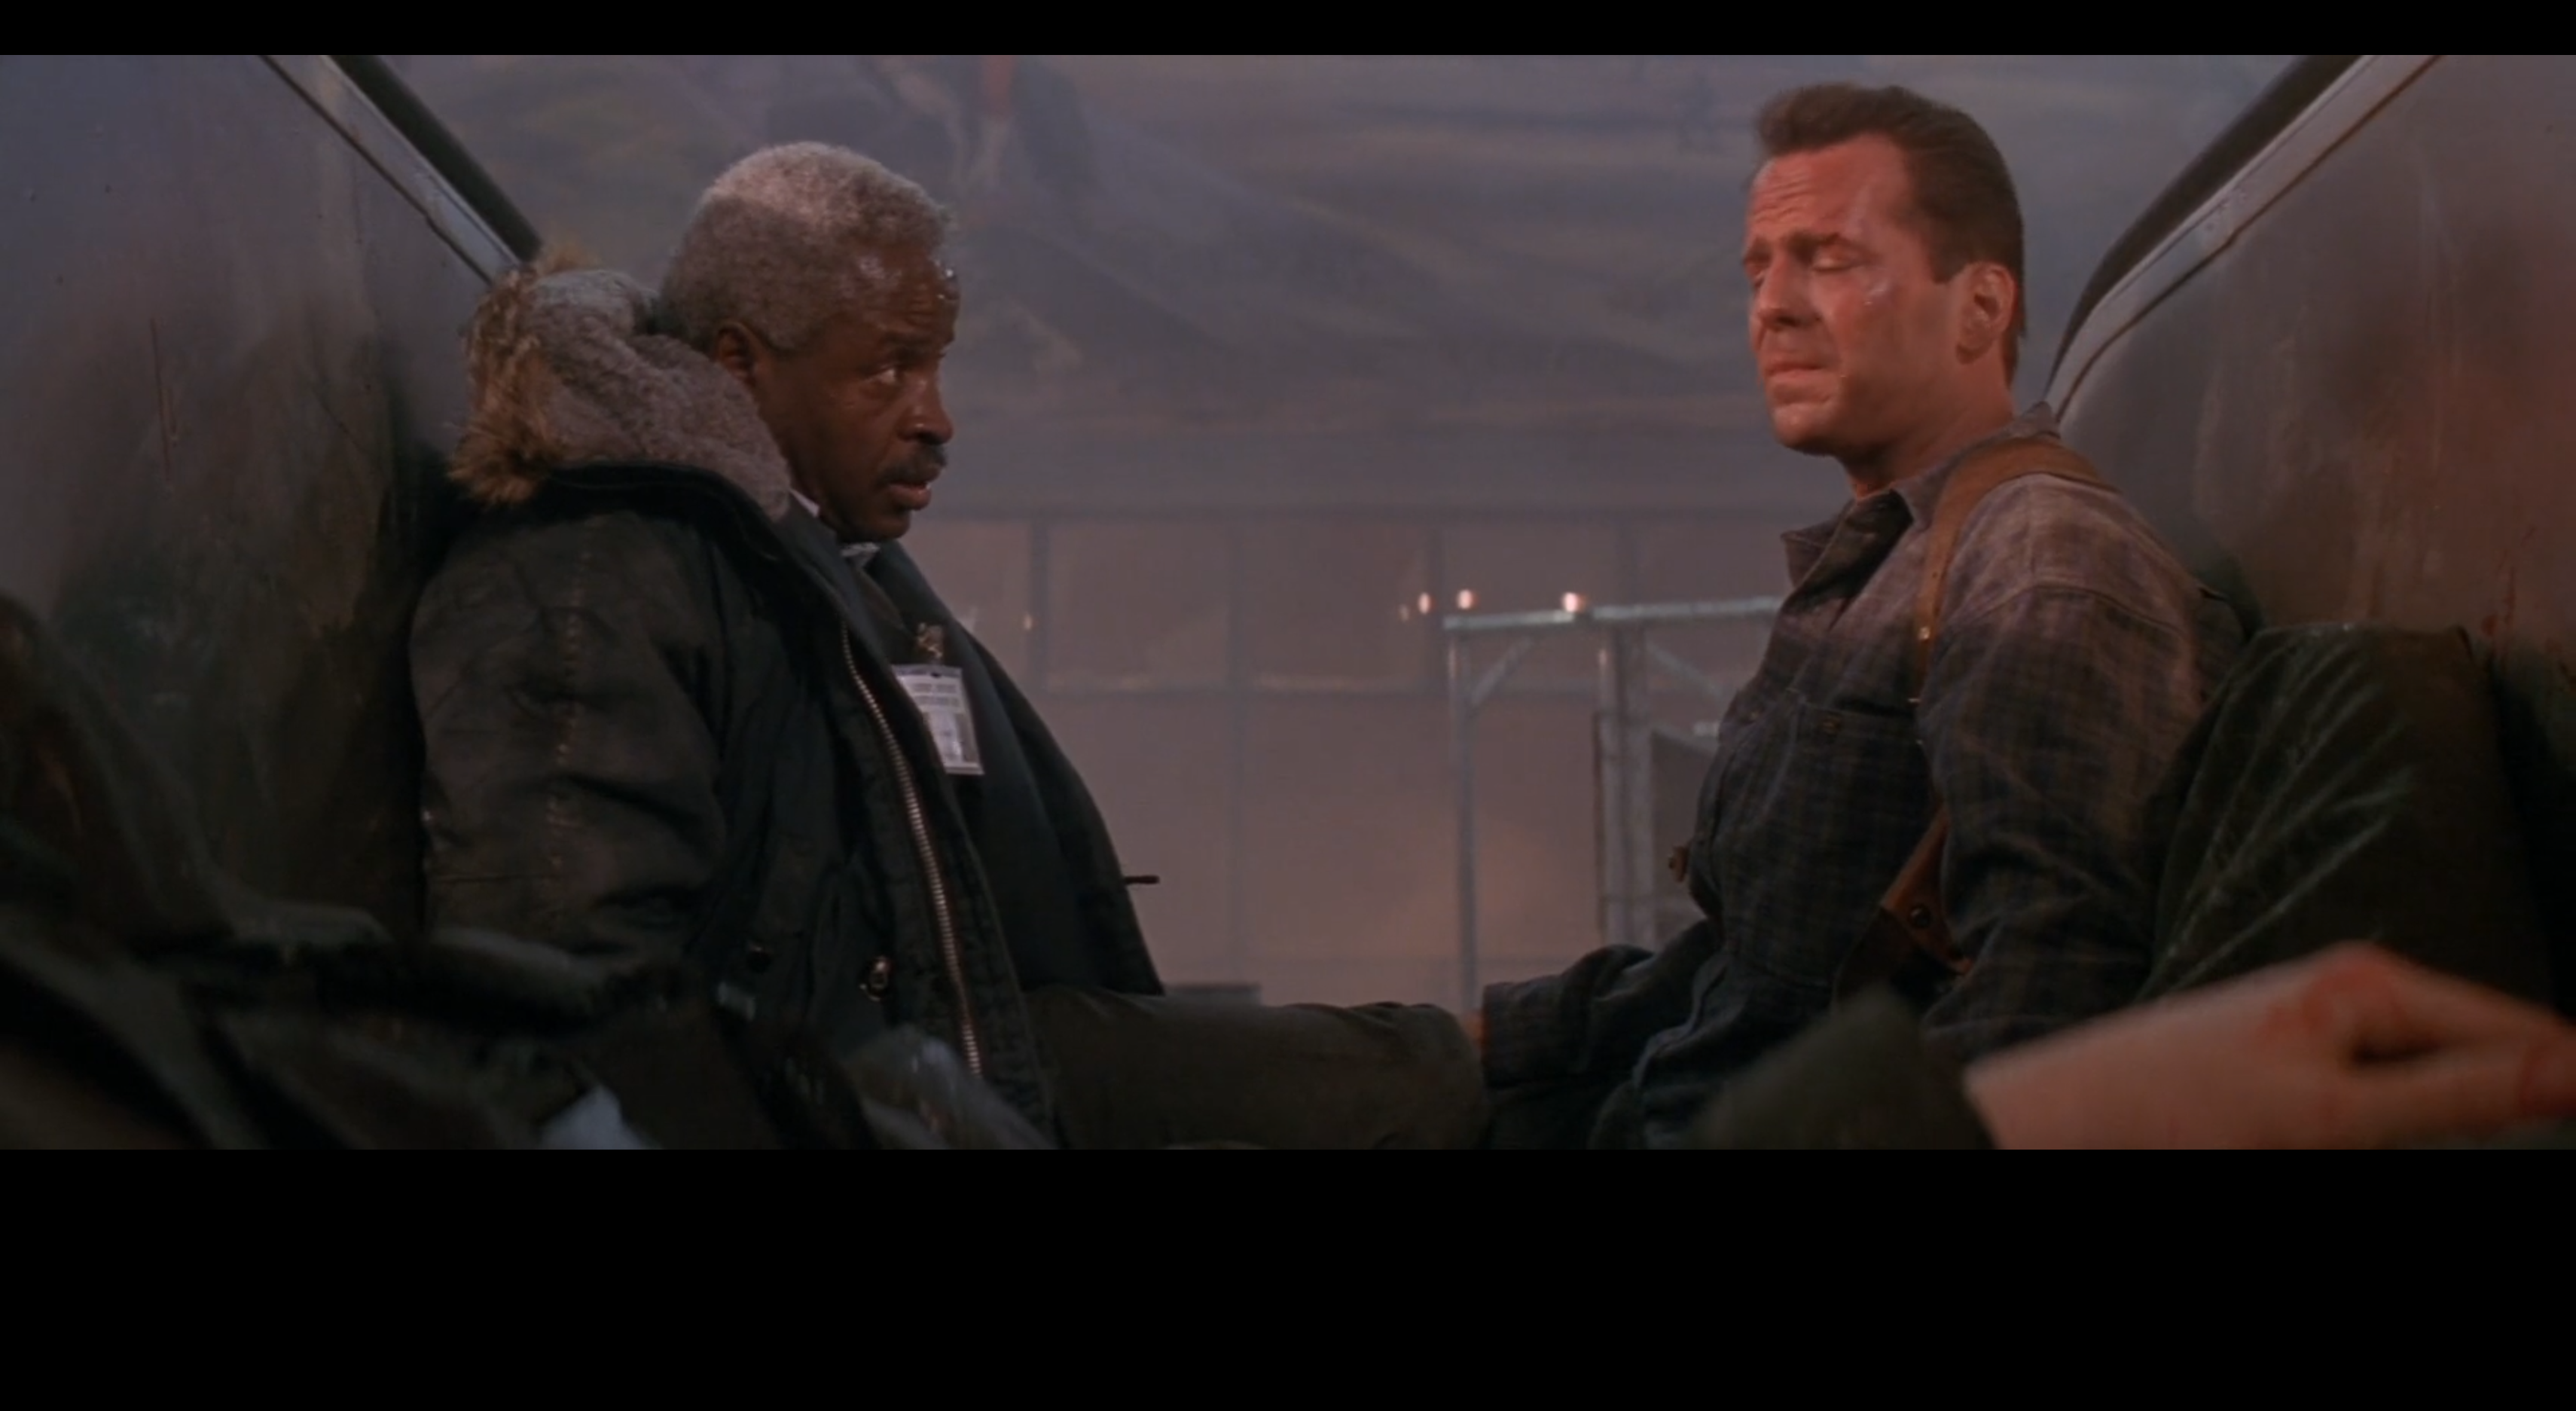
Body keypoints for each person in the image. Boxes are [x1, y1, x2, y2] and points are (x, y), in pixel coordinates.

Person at [409, 143, 1485, 1149]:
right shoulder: (596, 576)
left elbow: (981, 1029)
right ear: (740, 364)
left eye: (934, 366)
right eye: (889, 368)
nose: (936, 418)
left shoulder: (830, 572)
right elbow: (572, 1017)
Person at [1482, 83, 2248, 1147]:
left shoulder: (2037, 562)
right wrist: (1480, 1042)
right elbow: (1746, 977)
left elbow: (2051, 1000)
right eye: (1759, 268)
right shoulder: (1893, 562)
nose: (1774, 306)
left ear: (1981, 307)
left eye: (1831, 259)